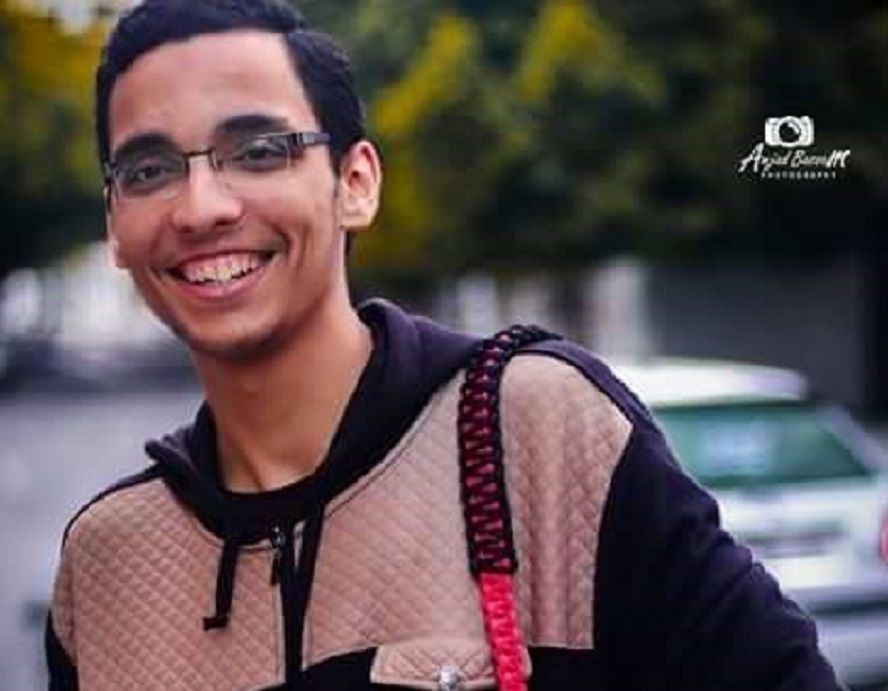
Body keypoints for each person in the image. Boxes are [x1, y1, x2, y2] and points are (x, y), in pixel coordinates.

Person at [46, 1, 843, 689]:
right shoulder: (107, 562)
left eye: (258, 151)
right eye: (148, 170)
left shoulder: (539, 434)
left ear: (355, 183)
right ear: (116, 224)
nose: (201, 208)